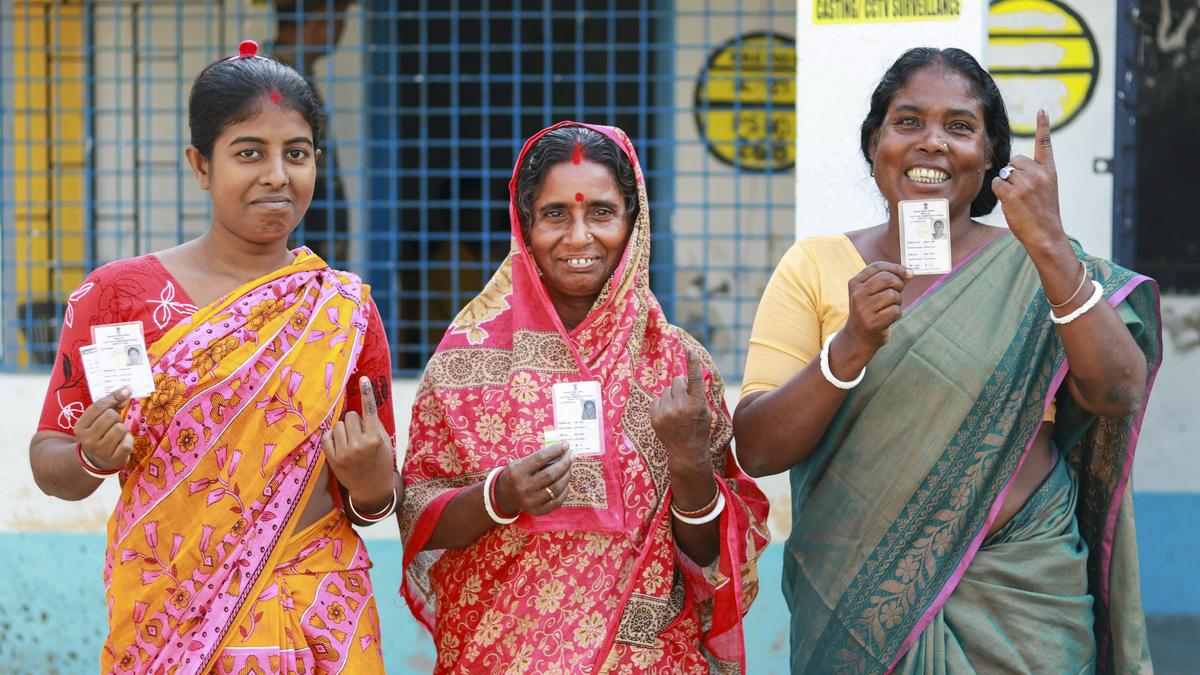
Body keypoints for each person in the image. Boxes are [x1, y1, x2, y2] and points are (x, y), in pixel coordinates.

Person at [734, 47, 1161, 673]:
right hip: (859, 610)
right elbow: (756, 448)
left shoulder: (1038, 263)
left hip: (1023, 601)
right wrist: (850, 345)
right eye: (908, 122)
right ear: (874, 144)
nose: (932, 142)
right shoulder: (815, 265)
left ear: (989, 158)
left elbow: (1118, 391)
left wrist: (1046, 243)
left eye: (959, 127)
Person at [27, 41, 400, 674]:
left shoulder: (343, 312)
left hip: (320, 615)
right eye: (249, 153)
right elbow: (50, 460)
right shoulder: (122, 296)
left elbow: (376, 495)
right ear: (201, 166)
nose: (277, 174)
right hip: (170, 612)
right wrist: (90, 454)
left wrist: (370, 484)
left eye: (298, 153)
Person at [399, 122, 770, 673]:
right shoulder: (462, 365)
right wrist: (500, 495)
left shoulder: (676, 365)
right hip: (501, 654)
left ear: (632, 222)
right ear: (524, 225)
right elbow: (417, 515)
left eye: (601, 212)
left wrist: (691, 460)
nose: (578, 238)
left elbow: (711, 558)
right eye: (555, 215)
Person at [272, 0, 353, 265]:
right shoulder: (274, 83)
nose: (341, 27)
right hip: (295, 255)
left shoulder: (292, 77)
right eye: (340, 16)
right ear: (323, 18)